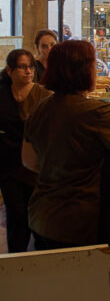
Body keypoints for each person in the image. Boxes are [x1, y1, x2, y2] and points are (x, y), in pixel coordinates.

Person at [22, 41, 110, 249]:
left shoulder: (40, 108)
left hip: (42, 216)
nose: (96, 71)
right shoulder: (95, 112)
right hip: (78, 222)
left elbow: (29, 161)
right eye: (93, 65)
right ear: (82, 70)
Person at [0, 50, 52, 252]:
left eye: (30, 67)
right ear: (9, 70)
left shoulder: (44, 95)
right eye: (22, 67)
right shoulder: (3, 94)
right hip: (9, 165)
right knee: (16, 215)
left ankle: (39, 257)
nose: (28, 71)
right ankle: (16, 258)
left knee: (37, 215)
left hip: (36, 166)